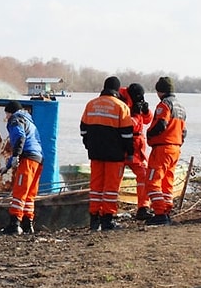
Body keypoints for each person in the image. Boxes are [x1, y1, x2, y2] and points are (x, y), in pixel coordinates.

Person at [80, 76, 134, 231]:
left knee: (96, 186)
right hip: (114, 154)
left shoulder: (91, 104)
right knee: (111, 187)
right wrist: (129, 152)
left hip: (95, 153)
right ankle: (107, 219)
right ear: (117, 90)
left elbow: (83, 129)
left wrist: (88, 145)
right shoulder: (121, 107)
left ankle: (94, 219)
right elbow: (127, 134)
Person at [144, 77, 187, 226]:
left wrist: (149, 134)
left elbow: (161, 124)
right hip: (175, 148)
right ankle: (166, 212)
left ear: (160, 90)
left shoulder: (164, 105)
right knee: (167, 182)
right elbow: (184, 132)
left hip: (162, 148)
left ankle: (160, 213)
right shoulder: (181, 107)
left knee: (152, 181)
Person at [0, 100, 44, 235]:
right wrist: (6, 167)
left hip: (27, 159)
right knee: (30, 194)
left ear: (10, 111)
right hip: (38, 159)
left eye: (6, 114)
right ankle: (27, 225)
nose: (6, 117)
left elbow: (19, 137)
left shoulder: (15, 119)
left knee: (20, 191)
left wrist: (16, 156)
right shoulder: (29, 121)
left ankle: (14, 225)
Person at [118, 83, 154, 220]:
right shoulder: (120, 99)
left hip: (137, 146)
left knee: (144, 176)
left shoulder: (136, 101)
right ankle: (109, 210)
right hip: (122, 144)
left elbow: (147, 120)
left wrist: (145, 111)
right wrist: (136, 114)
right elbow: (126, 123)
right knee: (115, 177)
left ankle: (143, 207)